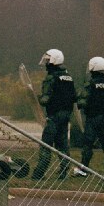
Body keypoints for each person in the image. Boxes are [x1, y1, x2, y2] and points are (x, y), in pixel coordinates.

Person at [31, 49, 76, 180]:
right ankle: (64, 172)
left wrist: (36, 97)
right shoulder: (68, 77)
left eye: (47, 60)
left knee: (46, 145)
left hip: (54, 115)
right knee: (62, 145)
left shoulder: (51, 78)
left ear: (54, 61)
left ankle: (39, 173)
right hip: (66, 115)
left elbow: (45, 100)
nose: (46, 63)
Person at [76, 56, 104, 178]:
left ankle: (83, 169)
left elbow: (82, 102)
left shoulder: (90, 84)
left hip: (93, 118)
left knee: (88, 144)